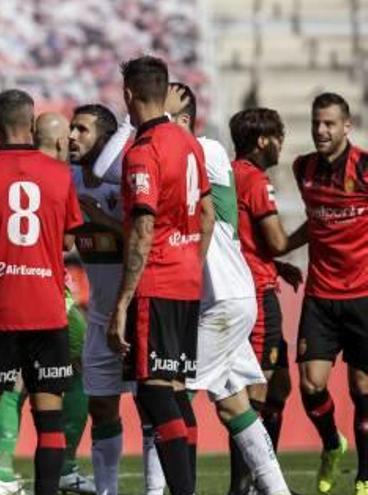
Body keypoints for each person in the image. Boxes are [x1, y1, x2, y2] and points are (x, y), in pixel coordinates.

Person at [0, 90, 83, 495]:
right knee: (49, 415)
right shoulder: (60, 174)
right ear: (32, 123)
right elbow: (68, 244)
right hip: (46, 310)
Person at [166, 85, 291, 495]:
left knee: (166, 390)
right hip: (233, 296)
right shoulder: (214, 163)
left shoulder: (208, 152)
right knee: (234, 403)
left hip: (226, 298)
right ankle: (273, 490)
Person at [105, 56, 214, 495]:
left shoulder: (143, 152)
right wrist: (192, 261)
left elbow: (144, 228)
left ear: (129, 95)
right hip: (187, 279)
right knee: (172, 389)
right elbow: (206, 213)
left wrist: (123, 301)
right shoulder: (189, 143)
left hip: (156, 283)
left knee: (152, 393)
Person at [0, 111, 94, 495]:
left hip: (4, 290)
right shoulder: (58, 177)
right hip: (50, 296)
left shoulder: (10, 169)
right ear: (62, 141)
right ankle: (64, 466)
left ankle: (1, 472)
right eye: (71, 134)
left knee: (14, 383)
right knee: (82, 370)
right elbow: (68, 242)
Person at [292, 93, 368, 495]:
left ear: (346, 126)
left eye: (329, 124)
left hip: (363, 295)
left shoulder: (365, 167)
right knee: (311, 383)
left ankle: (365, 474)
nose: (321, 130)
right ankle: (331, 443)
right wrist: (283, 244)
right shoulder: (302, 167)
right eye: (316, 123)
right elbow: (316, 223)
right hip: (320, 294)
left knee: (363, 388)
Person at [229, 107, 306, 494]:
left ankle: (257, 476)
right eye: (278, 135)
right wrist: (314, 227)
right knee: (254, 394)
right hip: (257, 295)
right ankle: (245, 485)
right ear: (263, 141)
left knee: (278, 386)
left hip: (246, 285)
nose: (282, 143)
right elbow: (275, 239)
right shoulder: (256, 181)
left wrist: (277, 264)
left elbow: (245, 240)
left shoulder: (228, 174)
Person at [69, 103, 134, 495]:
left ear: (107, 140)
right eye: (72, 128)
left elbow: (147, 238)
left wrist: (97, 217)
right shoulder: (68, 178)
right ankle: (107, 491)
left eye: (83, 130)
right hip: (98, 314)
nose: (72, 137)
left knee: (153, 408)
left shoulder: (127, 179)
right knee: (102, 407)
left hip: (139, 310)